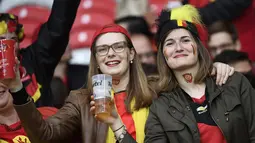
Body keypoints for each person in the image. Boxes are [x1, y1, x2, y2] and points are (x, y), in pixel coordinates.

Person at [10, 24, 233, 143]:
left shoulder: (159, 87)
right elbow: (43, 135)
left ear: (131, 54)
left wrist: (214, 69)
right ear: (95, 59)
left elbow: (195, 83)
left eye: (118, 47)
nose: (110, 54)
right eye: (102, 50)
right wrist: (18, 90)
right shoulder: (80, 99)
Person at [145, 5, 255, 143]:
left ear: (198, 47)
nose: (178, 48)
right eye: (170, 43)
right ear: (163, 55)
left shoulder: (234, 83)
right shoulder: (160, 107)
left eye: (185, 40)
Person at [0, 0, 80, 107]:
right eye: (2, 40)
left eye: (13, 39)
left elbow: (57, 30)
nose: (9, 45)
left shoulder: (35, 60)